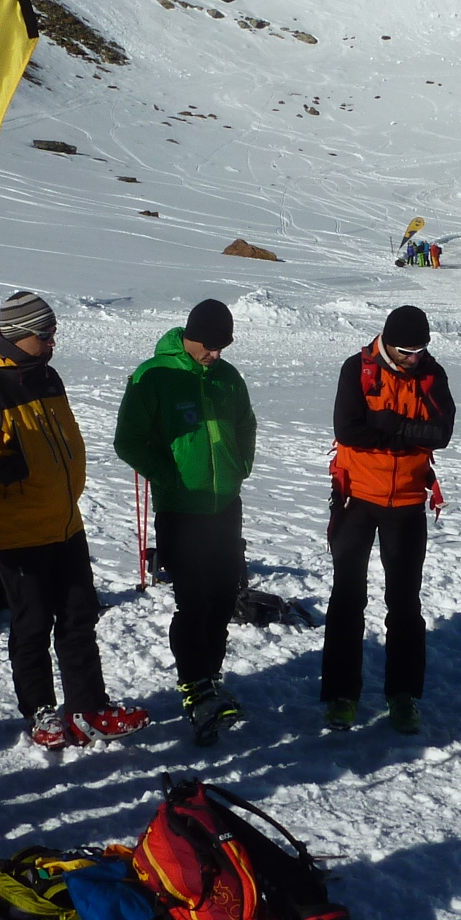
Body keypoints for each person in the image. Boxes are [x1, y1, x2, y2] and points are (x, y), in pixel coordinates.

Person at [0, 292, 150, 750]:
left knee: (80, 617)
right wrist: (16, 466)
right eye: (46, 334)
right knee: (33, 623)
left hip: (65, 521)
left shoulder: (47, 376)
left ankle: (88, 707)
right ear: (19, 335)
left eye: (53, 332)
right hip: (20, 530)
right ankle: (40, 711)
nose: (53, 340)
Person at [115, 298, 257, 746]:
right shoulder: (155, 376)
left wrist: (240, 466)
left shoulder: (227, 377)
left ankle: (210, 676)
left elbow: (246, 424)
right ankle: (193, 684)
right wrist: (168, 474)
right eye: (210, 346)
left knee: (221, 598)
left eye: (223, 346)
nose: (216, 354)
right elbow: (129, 441)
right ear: (191, 336)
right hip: (181, 508)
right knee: (193, 601)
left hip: (224, 505)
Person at [321, 306, 455, 734]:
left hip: (408, 503)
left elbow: (443, 433)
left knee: (404, 604)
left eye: (420, 350)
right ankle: (342, 695)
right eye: (406, 351)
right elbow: (348, 429)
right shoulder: (355, 370)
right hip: (356, 499)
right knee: (347, 598)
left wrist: (385, 427)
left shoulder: (432, 375)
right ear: (386, 342)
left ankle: (403, 695)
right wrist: (407, 431)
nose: (414, 358)